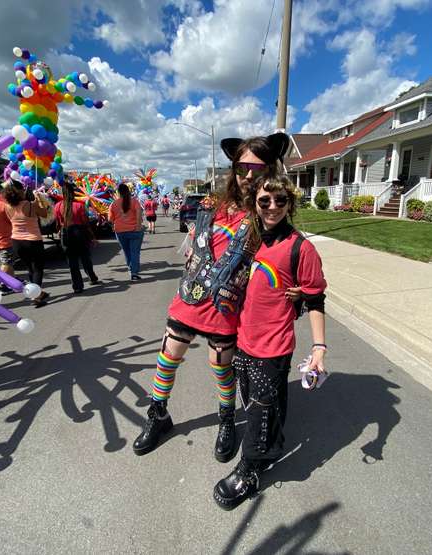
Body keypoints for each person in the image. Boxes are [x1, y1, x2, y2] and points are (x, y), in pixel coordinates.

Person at [132, 132, 290, 463]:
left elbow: (285, 252)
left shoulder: (267, 212)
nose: (248, 175)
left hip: (227, 307)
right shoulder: (211, 205)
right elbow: (193, 249)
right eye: (242, 166)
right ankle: (158, 416)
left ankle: (227, 420)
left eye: (257, 169)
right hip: (190, 298)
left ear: (270, 171)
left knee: (221, 367)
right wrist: (192, 241)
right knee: (167, 357)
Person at [212, 174, 327, 510]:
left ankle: (249, 468)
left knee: (260, 411)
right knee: (257, 403)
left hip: (274, 345)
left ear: (289, 203)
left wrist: (319, 347)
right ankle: (272, 445)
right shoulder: (250, 239)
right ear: (255, 205)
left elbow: (317, 298)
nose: (272, 207)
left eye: (280, 200)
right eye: (265, 201)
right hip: (243, 338)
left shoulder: (300, 248)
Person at [3, 181, 50, 307]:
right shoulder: (29, 205)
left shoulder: (7, 206)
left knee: (30, 268)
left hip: (17, 241)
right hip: (32, 240)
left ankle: (38, 293)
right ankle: (36, 297)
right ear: (21, 192)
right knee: (38, 269)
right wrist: (39, 198)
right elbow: (44, 214)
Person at [54, 180, 100, 294]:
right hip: (80, 233)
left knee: (72, 262)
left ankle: (77, 286)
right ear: (73, 192)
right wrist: (92, 237)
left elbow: (57, 223)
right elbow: (86, 223)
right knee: (85, 257)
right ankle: (92, 277)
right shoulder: (79, 205)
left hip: (66, 234)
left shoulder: (58, 206)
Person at [108, 182, 144, 281]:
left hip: (120, 231)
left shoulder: (113, 204)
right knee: (135, 252)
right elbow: (139, 214)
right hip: (134, 230)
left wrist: (113, 225)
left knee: (127, 251)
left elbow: (110, 219)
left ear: (118, 192)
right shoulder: (134, 201)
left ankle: (131, 268)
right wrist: (138, 226)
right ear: (128, 191)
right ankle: (134, 273)